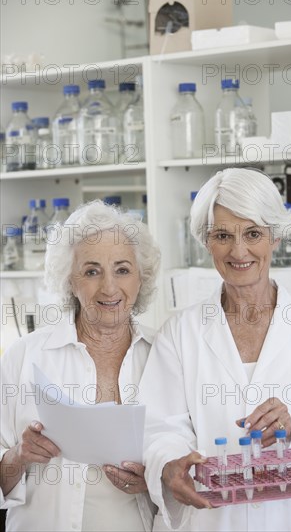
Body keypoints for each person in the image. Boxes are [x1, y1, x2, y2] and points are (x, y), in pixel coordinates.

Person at [139, 168, 291, 532]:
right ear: (206, 240)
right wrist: (170, 463)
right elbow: (159, 429)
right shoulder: (180, 332)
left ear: (275, 237)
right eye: (223, 235)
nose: (238, 250)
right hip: (212, 519)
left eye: (253, 233)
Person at [0, 200, 160, 532]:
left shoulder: (163, 355)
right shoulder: (25, 355)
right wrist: (20, 454)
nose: (109, 287)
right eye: (91, 271)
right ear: (69, 281)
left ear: (140, 278)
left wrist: (154, 480)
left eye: (122, 269)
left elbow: (187, 464)